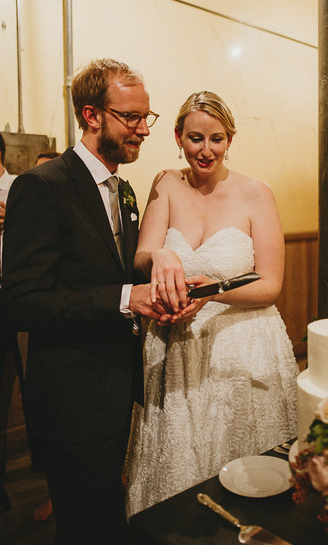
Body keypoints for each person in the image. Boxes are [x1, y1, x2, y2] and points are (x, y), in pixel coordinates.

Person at [2, 59, 164, 545]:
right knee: (94, 541)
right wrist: (124, 299)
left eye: (146, 117)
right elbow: (23, 303)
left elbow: (116, 274)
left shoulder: (124, 190)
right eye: (131, 117)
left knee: (88, 543)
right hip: (70, 397)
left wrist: (158, 293)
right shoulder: (41, 186)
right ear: (91, 115)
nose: (143, 129)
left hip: (115, 389)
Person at [125, 90, 297, 515]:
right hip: (176, 345)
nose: (206, 150)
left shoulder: (256, 193)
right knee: (176, 464)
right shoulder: (166, 183)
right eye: (195, 138)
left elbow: (271, 285)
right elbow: (141, 256)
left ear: (229, 140)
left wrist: (213, 292)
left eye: (216, 139)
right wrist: (158, 258)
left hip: (241, 345)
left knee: (243, 463)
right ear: (178, 137)